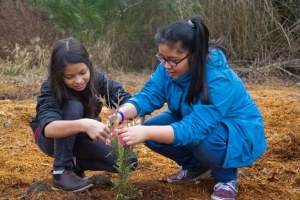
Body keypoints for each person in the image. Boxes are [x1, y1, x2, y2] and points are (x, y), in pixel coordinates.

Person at [110, 16, 267, 200]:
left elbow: (196, 129)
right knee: (155, 133)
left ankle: (227, 178)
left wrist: (146, 131)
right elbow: (150, 94)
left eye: (172, 60)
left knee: (200, 140)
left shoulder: (218, 79)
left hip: (236, 132)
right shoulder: (168, 67)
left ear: (194, 54)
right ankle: (196, 167)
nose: (166, 65)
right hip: (193, 119)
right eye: (162, 58)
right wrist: (122, 112)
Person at [29, 37, 137, 192]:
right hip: (52, 140)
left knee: (128, 161)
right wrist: (85, 124)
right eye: (69, 76)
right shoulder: (50, 87)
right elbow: (48, 129)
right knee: (74, 106)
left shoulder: (97, 78)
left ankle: (74, 165)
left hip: (83, 136)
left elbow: (126, 99)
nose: (79, 80)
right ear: (58, 73)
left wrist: (121, 114)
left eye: (82, 72)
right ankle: (61, 171)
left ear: (89, 62)